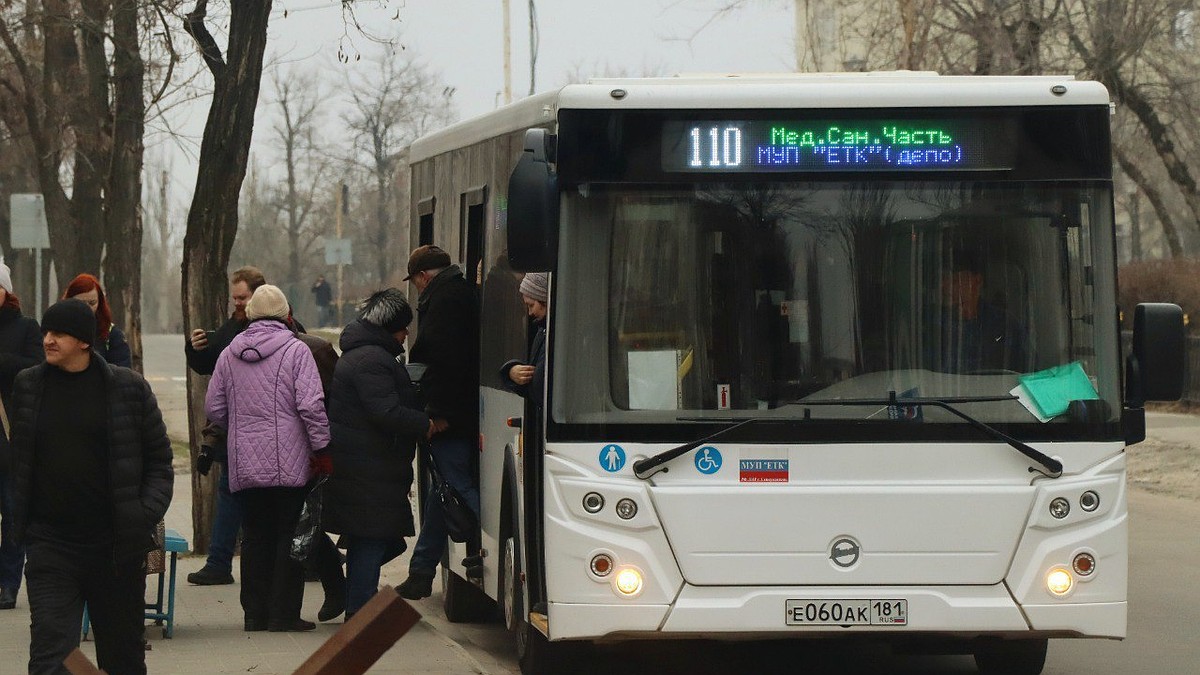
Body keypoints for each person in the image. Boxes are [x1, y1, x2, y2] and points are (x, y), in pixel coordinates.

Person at [4, 298, 173, 674]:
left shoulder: (128, 389)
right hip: (51, 545)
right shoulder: (28, 386)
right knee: (51, 654)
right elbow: (21, 459)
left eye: (58, 333)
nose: (47, 340)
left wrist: (141, 515)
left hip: (115, 548)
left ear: (83, 341)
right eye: (46, 331)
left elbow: (160, 463)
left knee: (123, 658)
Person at [205, 285, 329, 632]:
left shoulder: (230, 353)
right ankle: (282, 614)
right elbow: (311, 406)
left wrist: (242, 426)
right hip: (289, 465)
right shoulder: (295, 350)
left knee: (255, 537)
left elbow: (213, 407)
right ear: (286, 315)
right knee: (287, 537)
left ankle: (253, 615)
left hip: (245, 465)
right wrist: (321, 448)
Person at [323, 289, 432, 618]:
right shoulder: (372, 359)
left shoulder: (365, 354)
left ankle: (357, 603)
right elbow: (385, 411)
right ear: (390, 327)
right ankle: (360, 611)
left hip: (364, 465)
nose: (406, 334)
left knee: (371, 538)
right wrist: (424, 423)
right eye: (403, 327)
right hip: (368, 467)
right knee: (371, 539)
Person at [397, 245, 481, 600]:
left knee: (457, 485)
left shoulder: (444, 301)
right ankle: (420, 571)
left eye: (415, 282)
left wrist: (438, 413)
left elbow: (448, 362)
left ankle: (482, 543)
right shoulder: (455, 294)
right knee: (441, 491)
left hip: (451, 417)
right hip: (456, 412)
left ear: (423, 277)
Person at [184, 266, 264, 586]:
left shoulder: (276, 327)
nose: (238, 303)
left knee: (253, 500)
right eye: (235, 298)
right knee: (231, 494)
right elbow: (210, 366)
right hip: (236, 430)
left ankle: (222, 562)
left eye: (243, 297)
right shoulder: (235, 325)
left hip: (257, 429)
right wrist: (196, 348)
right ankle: (219, 561)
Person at [286, 310, 347, 622]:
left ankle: (340, 588)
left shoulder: (316, 350)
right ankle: (340, 588)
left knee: (311, 522)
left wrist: (323, 445)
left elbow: (331, 401)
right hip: (286, 453)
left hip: (314, 451)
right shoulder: (243, 346)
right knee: (304, 523)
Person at [0, 260, 42, 611]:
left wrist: (3, 361)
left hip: (13, 437)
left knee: (13, 515)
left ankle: (8, 583)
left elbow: (36, 366)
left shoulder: (27, 327)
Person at [62, 273, 131, 368]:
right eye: (81, 303)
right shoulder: (57, 331)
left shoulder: (112, 334)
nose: (87, 308)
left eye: (92, 303)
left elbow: (123, 373)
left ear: (100, 303)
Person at [500, 272, 549, 406]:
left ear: (545, 300)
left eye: (531, 305)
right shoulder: (542, 330)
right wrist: (511, 372)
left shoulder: (546, 331)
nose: (530, 313)